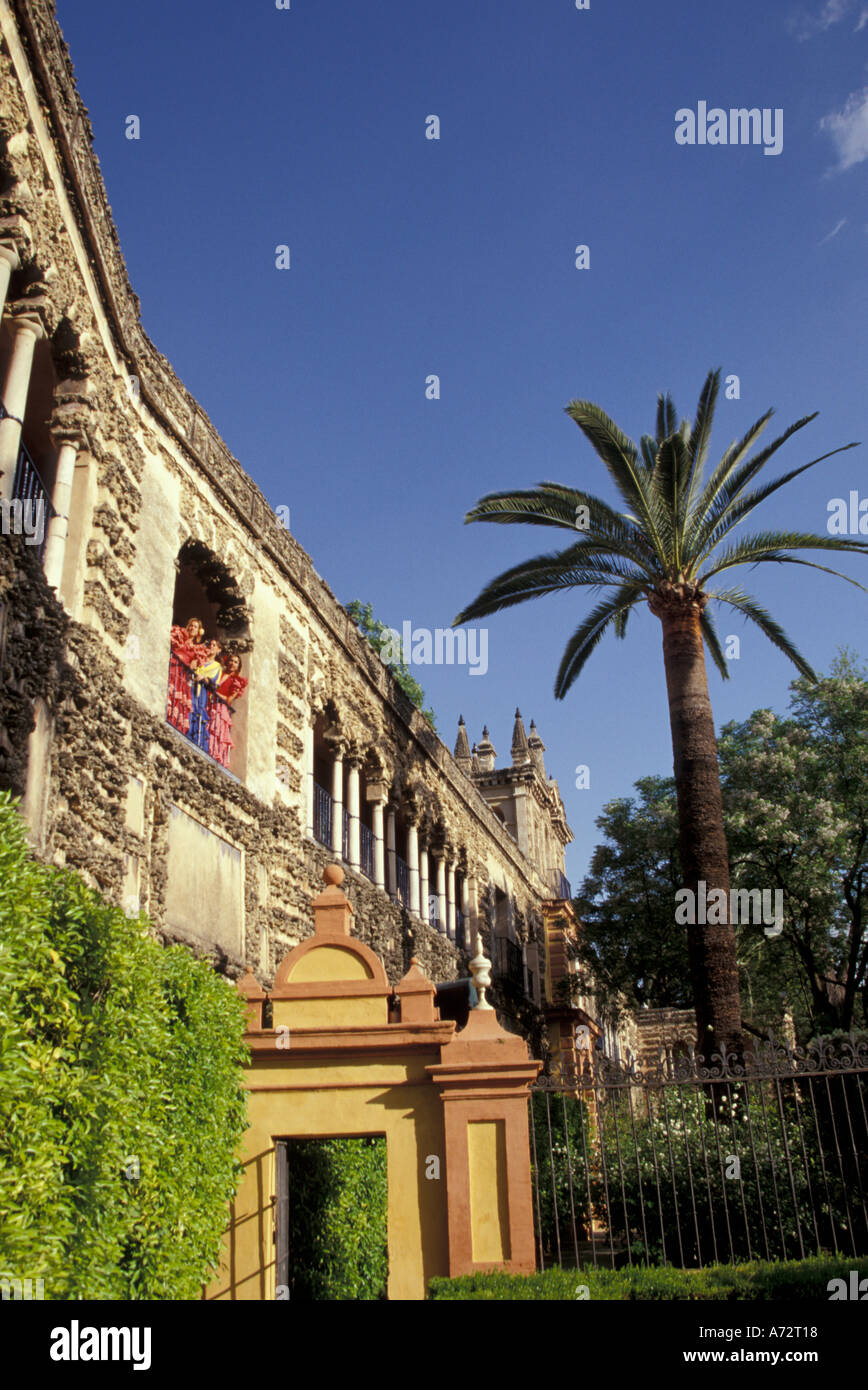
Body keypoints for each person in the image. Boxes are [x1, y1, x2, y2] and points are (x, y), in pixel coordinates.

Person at [167, 617, 207, 733]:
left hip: (181, 676)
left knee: (177, 700)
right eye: (191, 625)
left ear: (198, 631)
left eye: (195, 626)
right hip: (172, 669)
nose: (192, 628)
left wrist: (193, 667)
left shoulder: (196, 650)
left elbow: (192, 668)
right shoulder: (178, 637)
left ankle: (173, 723)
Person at [209, 652, 248, 766]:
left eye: (236, 662)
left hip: (220, 708)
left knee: (216, 730)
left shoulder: (236, 681)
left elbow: (229, 700)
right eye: (231, 660)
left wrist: (216, 693)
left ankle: (215, 754)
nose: (232, 663)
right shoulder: (219, 673)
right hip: (210, 703)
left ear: (238, 666)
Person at [190, 639, 223, 752]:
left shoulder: (216, 666)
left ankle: (196, 739)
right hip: (192, 687)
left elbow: (214, 682)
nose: (211, 646)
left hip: (202, 691)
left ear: (218, 650)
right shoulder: (200, 659)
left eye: (214, 645)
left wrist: (204, 678)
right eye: (210, 644)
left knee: (198, 711)